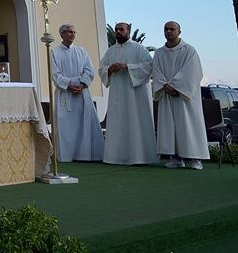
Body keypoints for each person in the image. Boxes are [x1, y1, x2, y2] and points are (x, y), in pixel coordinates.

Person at [152, 21, 208, 169]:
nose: (169, 31)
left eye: (172, 29)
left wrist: (177, 88)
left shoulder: (189, 51)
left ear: (179, 32)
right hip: (167, 95)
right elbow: (156, 72)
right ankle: (175, 158)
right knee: (170, 127)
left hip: (185, 97)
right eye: (166, 29)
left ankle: (196, 159)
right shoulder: (159, 53)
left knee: (189, 126)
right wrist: (165, 86)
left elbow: (193, 72)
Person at [99, 22, 156, 165]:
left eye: (121, 29)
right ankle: (115, 157)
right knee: (118, 123)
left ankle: (140, 157)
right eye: (116, 29)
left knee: (136, 122)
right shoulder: (110, 51)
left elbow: (148, 67)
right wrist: (110, 70)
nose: (118, 32)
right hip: (117, 95)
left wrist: (127, 67)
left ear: (128, 31)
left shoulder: (139, 49)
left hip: (136, 97)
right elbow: (101, 69)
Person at [50, 24, 104, 162]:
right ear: (61, 34)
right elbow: (55, 74)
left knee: (83, 123)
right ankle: (67, 155)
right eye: (68, 32)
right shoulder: (54, 53)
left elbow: (89, 71)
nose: (72, 34)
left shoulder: (82, 51)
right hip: (65, 93)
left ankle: (84, 154)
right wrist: (69, 86)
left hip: (81, 92)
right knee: (66, 127)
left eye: (74, 32)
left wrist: (82, 85)